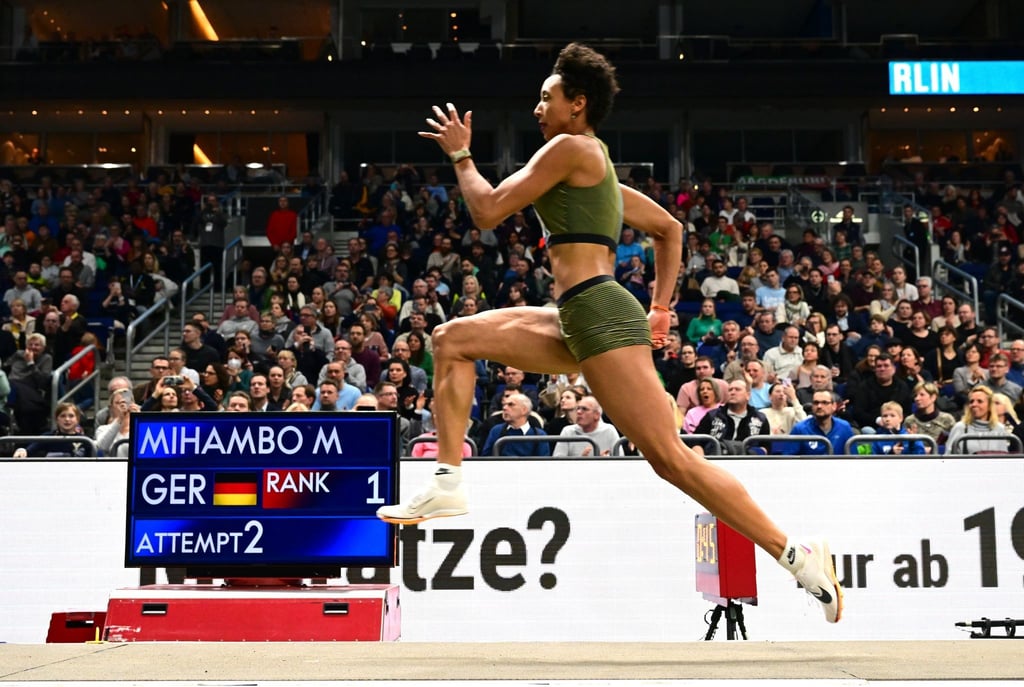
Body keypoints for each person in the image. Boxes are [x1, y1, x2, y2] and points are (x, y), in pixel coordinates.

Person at [375, 43, 842, 623]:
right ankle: (448, 478)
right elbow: (669, 229)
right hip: (579, 312)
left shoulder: (568, 146)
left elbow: (488, 210)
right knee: (452, 339)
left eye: (548, 97)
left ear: (579, 105)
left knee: (672, 460)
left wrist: (461, 155)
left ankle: (799, 559)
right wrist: (661, 309)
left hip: (597, 313)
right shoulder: (595, 172)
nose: (537, 107)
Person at [946, 386, 1012, 455]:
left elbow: (1003, 458)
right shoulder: (960, 427)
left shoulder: (999, 428)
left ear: (989, 406)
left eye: (979, 401)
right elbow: (948, 457)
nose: (974, 404)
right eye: (971, 401)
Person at [790, 390, 857, 456]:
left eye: (824, 403)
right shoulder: (799, 429)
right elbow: (789, 459)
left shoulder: (844, 427)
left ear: (834, 406)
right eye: (816, 403)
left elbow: (853, 458)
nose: (819, 406)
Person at [551, 395, 620, 456]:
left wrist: (607, 462)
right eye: (578, 408)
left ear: (597, 415)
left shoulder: (609, 430)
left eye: (584, 409)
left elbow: (621, 461)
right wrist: (581, 462)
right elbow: (558, 464)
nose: (579, 412)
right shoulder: (567, 431)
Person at [904, 382, 956, 453]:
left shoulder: (947, 419)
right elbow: (904, 446)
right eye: (916, 395)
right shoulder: (909, 421)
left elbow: (954, 445)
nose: (917, 398)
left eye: (922, 395)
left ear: (933, 397)